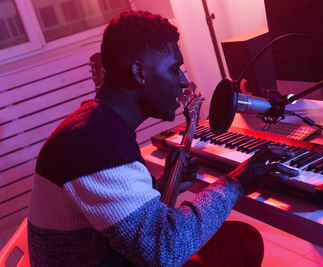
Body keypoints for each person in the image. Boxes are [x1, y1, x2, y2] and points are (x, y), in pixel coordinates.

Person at [27, 10, 299, 266]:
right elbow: (163, 251)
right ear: (140, 73)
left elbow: (124, 224)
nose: (182, 81)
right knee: (238, 244)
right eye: (174, 69)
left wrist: (164, 186)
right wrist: (237, 182)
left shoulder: (99, 127)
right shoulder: (93, 142)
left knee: (239, 239)